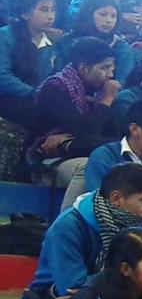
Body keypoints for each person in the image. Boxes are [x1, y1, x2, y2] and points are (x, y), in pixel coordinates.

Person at [21, 165, 142, 299]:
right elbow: (73, 286)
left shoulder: (140, 224)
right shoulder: (68, 226)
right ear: (116, 199)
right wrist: (131, 285)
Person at [28, 38, 122, 209]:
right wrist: (106, 101)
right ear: (83, 68)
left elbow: (115, 140)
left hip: (81, 152)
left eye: (112, 67)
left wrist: (69, 142)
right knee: (87, 168)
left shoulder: (99, 93)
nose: (110, 74)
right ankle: (66, 229)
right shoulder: (56, 88)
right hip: (49, 159)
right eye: (104, 68)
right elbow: (86, 132)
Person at [0, 0, 59, 127]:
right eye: (44, 10)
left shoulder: (54, 43)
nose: (50, 16)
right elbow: (2, 76)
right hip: (10, 99)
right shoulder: (5, 36)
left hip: (39, 100)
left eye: (53, 10)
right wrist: (34, 93)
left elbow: (56, 76)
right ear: (25, 14)